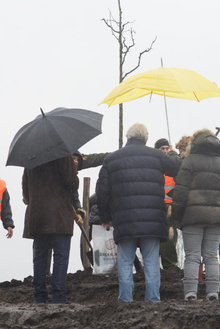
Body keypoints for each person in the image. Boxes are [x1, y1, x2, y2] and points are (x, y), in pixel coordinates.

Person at [96, 123, 181, 302]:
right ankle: (152, 300)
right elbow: (176, 168)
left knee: (125, 262)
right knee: (151, 262)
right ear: (146, 140)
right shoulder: (157, 155)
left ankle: (125, 300)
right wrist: (172, 152)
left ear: (127, 137)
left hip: (124, 220)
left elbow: (102, 190)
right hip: (152, 220)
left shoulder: (111, 159)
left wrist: (105, 218)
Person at [22, 156, 81, 304]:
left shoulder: (31, 157)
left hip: (38, 216)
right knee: (60, 257)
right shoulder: (64, 156)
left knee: (40, 257)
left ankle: (39, 297)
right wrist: (73, 168)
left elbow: (25, 191)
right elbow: (73, 184)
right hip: (60, 216)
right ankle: (59, 296)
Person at [172, 129, 220, 301]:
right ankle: (213, 292)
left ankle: (191, 292)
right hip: (216, 218)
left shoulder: (189, 161)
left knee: (192, 256)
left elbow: (180, 192)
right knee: (211, 255)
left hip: (192, 217)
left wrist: (176, 217)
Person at [154, 138, 178, 268]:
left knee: (170, 238)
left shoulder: (173, 166)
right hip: (155, 206)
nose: (165, 151)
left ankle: (170, 266)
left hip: (170, 208)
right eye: (162, 148)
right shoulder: (153, 165)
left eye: (167, 148)